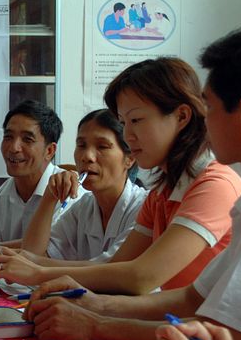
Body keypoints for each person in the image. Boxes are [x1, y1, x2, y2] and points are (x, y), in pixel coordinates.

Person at [21, 23, 241, 340]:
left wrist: (97, 323)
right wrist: (92, 304)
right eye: (124, 123)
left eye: (209, 107)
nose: (204, 119)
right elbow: (191, 297)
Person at [0, 57, 241, 295]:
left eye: (137, 120)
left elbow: (140, 277)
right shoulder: (161, 194)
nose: (129, 135)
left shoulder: (214, 185)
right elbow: (121, 266)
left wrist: (38, 272)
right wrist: (24, 263)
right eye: (124, 122)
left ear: (182, 116)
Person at [19, 109, 148, 264]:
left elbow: (110, 270)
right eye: (81, 145)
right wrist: (49, 196)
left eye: (102, 146)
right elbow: (31, 255)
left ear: (130, 158)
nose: (87, 156)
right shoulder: (83, 208)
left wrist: (38, 268)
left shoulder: (143, 207)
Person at [0, 100, 73, 248]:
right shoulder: (0, 197)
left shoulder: (69, 192)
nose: (14, 148)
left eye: (27, 139)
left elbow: (52, 248)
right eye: (8, 137)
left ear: (49, 151)